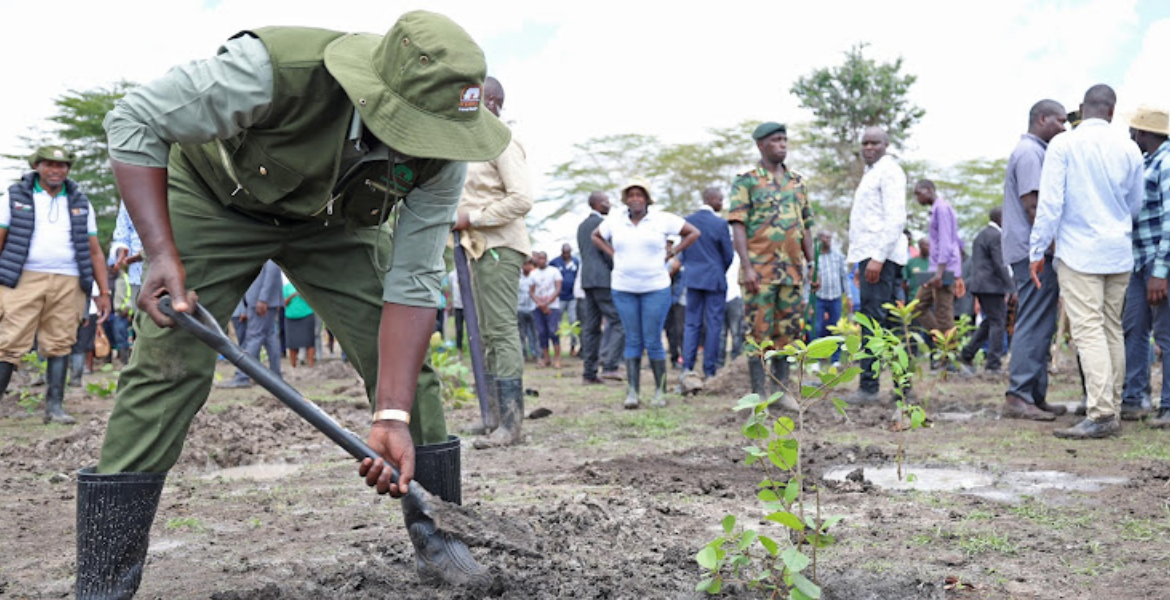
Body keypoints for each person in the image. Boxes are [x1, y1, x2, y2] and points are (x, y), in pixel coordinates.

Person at [85, 12, 508, 595]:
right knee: (168, 363)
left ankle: (441, 534)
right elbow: (133, 118)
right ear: (379, 96)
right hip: (216, 201)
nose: (432, 146)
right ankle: (105, 576)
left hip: (333, 226)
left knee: (408, 376)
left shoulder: (446, 142)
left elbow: (413, 279)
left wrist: (391, 416)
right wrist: (159, 251)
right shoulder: (271, 74)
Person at [1029, 84, 1143, 440]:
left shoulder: (1064, 144)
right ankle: (1112, 405)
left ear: (1082, 108)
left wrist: (1036, 250)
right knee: (1111, 327)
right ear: (1112, 111)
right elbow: (1134, 205)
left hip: (1080, 251)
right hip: (1118, 251)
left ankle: (1101, 413)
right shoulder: (1129, 147)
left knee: (1088, 329)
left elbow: (1050, 203)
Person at [0, 146, 112, 424]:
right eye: (50, 164)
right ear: (37, 166)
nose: (56, 170)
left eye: (62, 165)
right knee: (9, 341)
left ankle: (54, 408)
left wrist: (104, 292)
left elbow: (95, 250)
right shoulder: (15, 196)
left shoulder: (80, 201)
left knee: (60, 342)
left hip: (69, 280)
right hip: (23, 278)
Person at [452, 75, 533, 447]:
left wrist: (473, 217)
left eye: (476, 100)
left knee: (500, 331)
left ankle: (511, 425)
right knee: (483, 334)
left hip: (500, 245)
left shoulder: (502, 140)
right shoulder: (469, 145)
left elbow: (521, 199)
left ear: (494, 103)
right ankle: (493, 417)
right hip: (477, 249)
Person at [592, 179, 699, 408]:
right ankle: (632, 392)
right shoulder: (616, 220)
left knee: (652, 340)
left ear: (647, 198)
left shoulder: (662, 218)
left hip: (656, 288)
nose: (635, 199)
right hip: (623, 288)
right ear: (625, 199)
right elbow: (596, 236)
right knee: (632, 339)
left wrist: (673, 253)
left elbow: (693, 233)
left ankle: (659, 392)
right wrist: (613, 254)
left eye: (640, 195)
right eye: (630, 195)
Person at [730, 122, 813, 410]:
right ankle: (758, 393)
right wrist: (747, 266)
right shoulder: (747, 181)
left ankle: (781, 393)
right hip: (759, 273)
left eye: (784, 139)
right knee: (758, 333)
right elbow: (738, 225)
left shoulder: (798, 182)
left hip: (792, 273)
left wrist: (811, 262)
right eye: (776, 140)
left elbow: (807, 225)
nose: (782, 144)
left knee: (787, 333)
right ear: (761, 145)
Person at [1002, 99, 1070, 420]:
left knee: (1043, 322)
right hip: (1034, 252)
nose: (1065, 127)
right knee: (1033, 320)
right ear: (1042, 119)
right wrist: (1052, 248)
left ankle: (1034, 394)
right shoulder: (1030, 153)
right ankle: (1019, 395)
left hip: (1034, 250)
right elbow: (1034, 207)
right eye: (1060, 120)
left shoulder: (1038, 151)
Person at [843, 127, 909, 404]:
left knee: (873, 322)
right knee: (889, 323)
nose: (869, 147)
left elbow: (896, 218)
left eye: (875, 143)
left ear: (886, 145)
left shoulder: (889, 171)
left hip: (881, 257)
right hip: (872, 257)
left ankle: (869, 388)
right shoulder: (871, 174)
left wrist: (877, 258)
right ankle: (902, 387)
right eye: (865, 143)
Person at [1122, 105, 1170, 428]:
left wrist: (1160, 271)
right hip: (1139, 261)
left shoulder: (1166, 161)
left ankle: (1168, 406)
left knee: (1165, 335)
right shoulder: (1145, 163)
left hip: (1158, 263)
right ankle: (1134, 398)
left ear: (1142, 133)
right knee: (1134, 328)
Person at [681, 187, 734, 381]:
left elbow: (684, 251)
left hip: (693, 277)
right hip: (714, 278)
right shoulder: (720, 224)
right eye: (720, 200)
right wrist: (719, 269)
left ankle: (687, 367)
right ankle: (709, 370)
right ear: (711, 199)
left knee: (691, 323)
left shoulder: (688, 220)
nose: (722, 203)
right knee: (713, 324)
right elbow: (728, 255)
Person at [577, 191, 625, 384]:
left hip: (587, 280)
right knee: (620, 322)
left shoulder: (581, 226)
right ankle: (610, 366)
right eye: (606, 202)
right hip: (603, 280)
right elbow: (607, 253)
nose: (609, 204)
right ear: (596, 204)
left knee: (591, 327)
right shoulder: (602, 225)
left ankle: (589, 373)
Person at [959, 207, 1014, 374]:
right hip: (991, 286)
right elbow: (1000, 263)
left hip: (981, 285)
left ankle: (967, 354)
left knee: (990, 321)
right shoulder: (995, 235)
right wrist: (1011, 286)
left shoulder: (981, 234)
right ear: (1001, 218)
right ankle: (993, 364)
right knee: (998, 322)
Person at [910, 179, 965, 342]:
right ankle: (941, 341)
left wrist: (940, 273)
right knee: (917, 307)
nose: (917, 199)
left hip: (943, 269)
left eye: (918, 194)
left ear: (928, 190)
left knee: (943, 312)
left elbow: (946, 241)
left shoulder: (941, 208)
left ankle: (950, 355)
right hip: (937, 268)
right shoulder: (936, 210)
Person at [218, 260, 284, 388]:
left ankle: (243, 376)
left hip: (260, 301)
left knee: (254, 337)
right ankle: (275, 375)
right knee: (269, 336)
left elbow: (272, 270)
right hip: (261, 299)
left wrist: (263, 299)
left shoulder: (267, 247)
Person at [109, 202, 143, 364]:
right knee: (144, 330)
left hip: (176, 271)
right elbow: (121, 236)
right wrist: (121, 251)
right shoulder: (130, 194)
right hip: (138, 276)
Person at [813, 231, 848, 365]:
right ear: (819, 239)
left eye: (829, 237)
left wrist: (848, 296)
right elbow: (808, 280)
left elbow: (844, 276)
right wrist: (806, 299)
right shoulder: (814, 257)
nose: (828, 240)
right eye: (825, 238)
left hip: (836, 297)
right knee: (817, 328)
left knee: (835, 328)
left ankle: (835, 360)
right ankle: (815, 359)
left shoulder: (838, 256)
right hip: (819, 297)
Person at [528, 250, 563, 368]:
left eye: (543, 258)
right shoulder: (533, 274)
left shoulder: (554, 271)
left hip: (552, 306)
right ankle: (546, 358)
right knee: (542, 332)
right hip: (538, 307)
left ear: (546, 259)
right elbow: (531, 291)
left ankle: (557, 358)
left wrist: (547, 303)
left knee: (553, 331)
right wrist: (540, 304)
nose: (541, 261)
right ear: (536, 260)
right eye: (539, 258)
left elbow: (558, 289)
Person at [548, 243, 580, 355]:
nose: (566, 255)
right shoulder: (555, 262)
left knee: (573, 321)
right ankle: (557, 348)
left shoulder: (576, 262)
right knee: (557, 323)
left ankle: (573, 346)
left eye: (568, 253)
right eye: (564, 253)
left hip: (572, 297)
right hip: (559, 297)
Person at [718, 249, 746, 368]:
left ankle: (736, 364)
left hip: (735, 296)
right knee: (721, 333)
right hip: (720, 295)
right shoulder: (719, 254)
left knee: (736, 333)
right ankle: (720, 365)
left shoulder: (739, 256)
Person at [283, 280, 316, 368]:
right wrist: (292, 296)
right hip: (291, 317)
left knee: (309, 341)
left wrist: (303, 295)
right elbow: (284, 303)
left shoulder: (305, 285)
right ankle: (293, 365)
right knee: (292, 343)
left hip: (307, 314)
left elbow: (314, 300)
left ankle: (310, 365)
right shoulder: (286, 287)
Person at [517, 258, 540, 361]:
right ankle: (523, 354)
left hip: (532, 308)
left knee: (534, 333)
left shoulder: (534, 276)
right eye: (525, 264)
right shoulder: (517, 277)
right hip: (520, 309)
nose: (527, 267)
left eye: (529, 264)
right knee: (522, 333)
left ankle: (535, 353)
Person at [903, 239, 931, 305]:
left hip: (930, 300)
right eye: (927, 245)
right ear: (920, 246)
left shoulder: (933, 263)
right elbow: (904, 282)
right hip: (913, 299)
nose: (929, 248)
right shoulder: (911, 262)